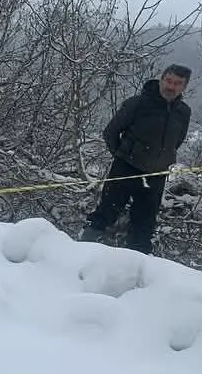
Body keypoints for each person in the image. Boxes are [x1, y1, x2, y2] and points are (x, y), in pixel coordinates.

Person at [78, 64, 193, 254]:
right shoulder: (138, 103)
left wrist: (162, 159)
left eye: (177, 83)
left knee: (144, 227)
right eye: (168, 80)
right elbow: (111, 132)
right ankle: (79, 254)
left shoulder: (183, 112)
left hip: (156, 176)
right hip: (126, 168)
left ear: (183, 87)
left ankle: (134, 272)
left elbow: (177, 141)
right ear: (161, 79)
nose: (170, 86)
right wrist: (123, 156)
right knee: (105, 213)